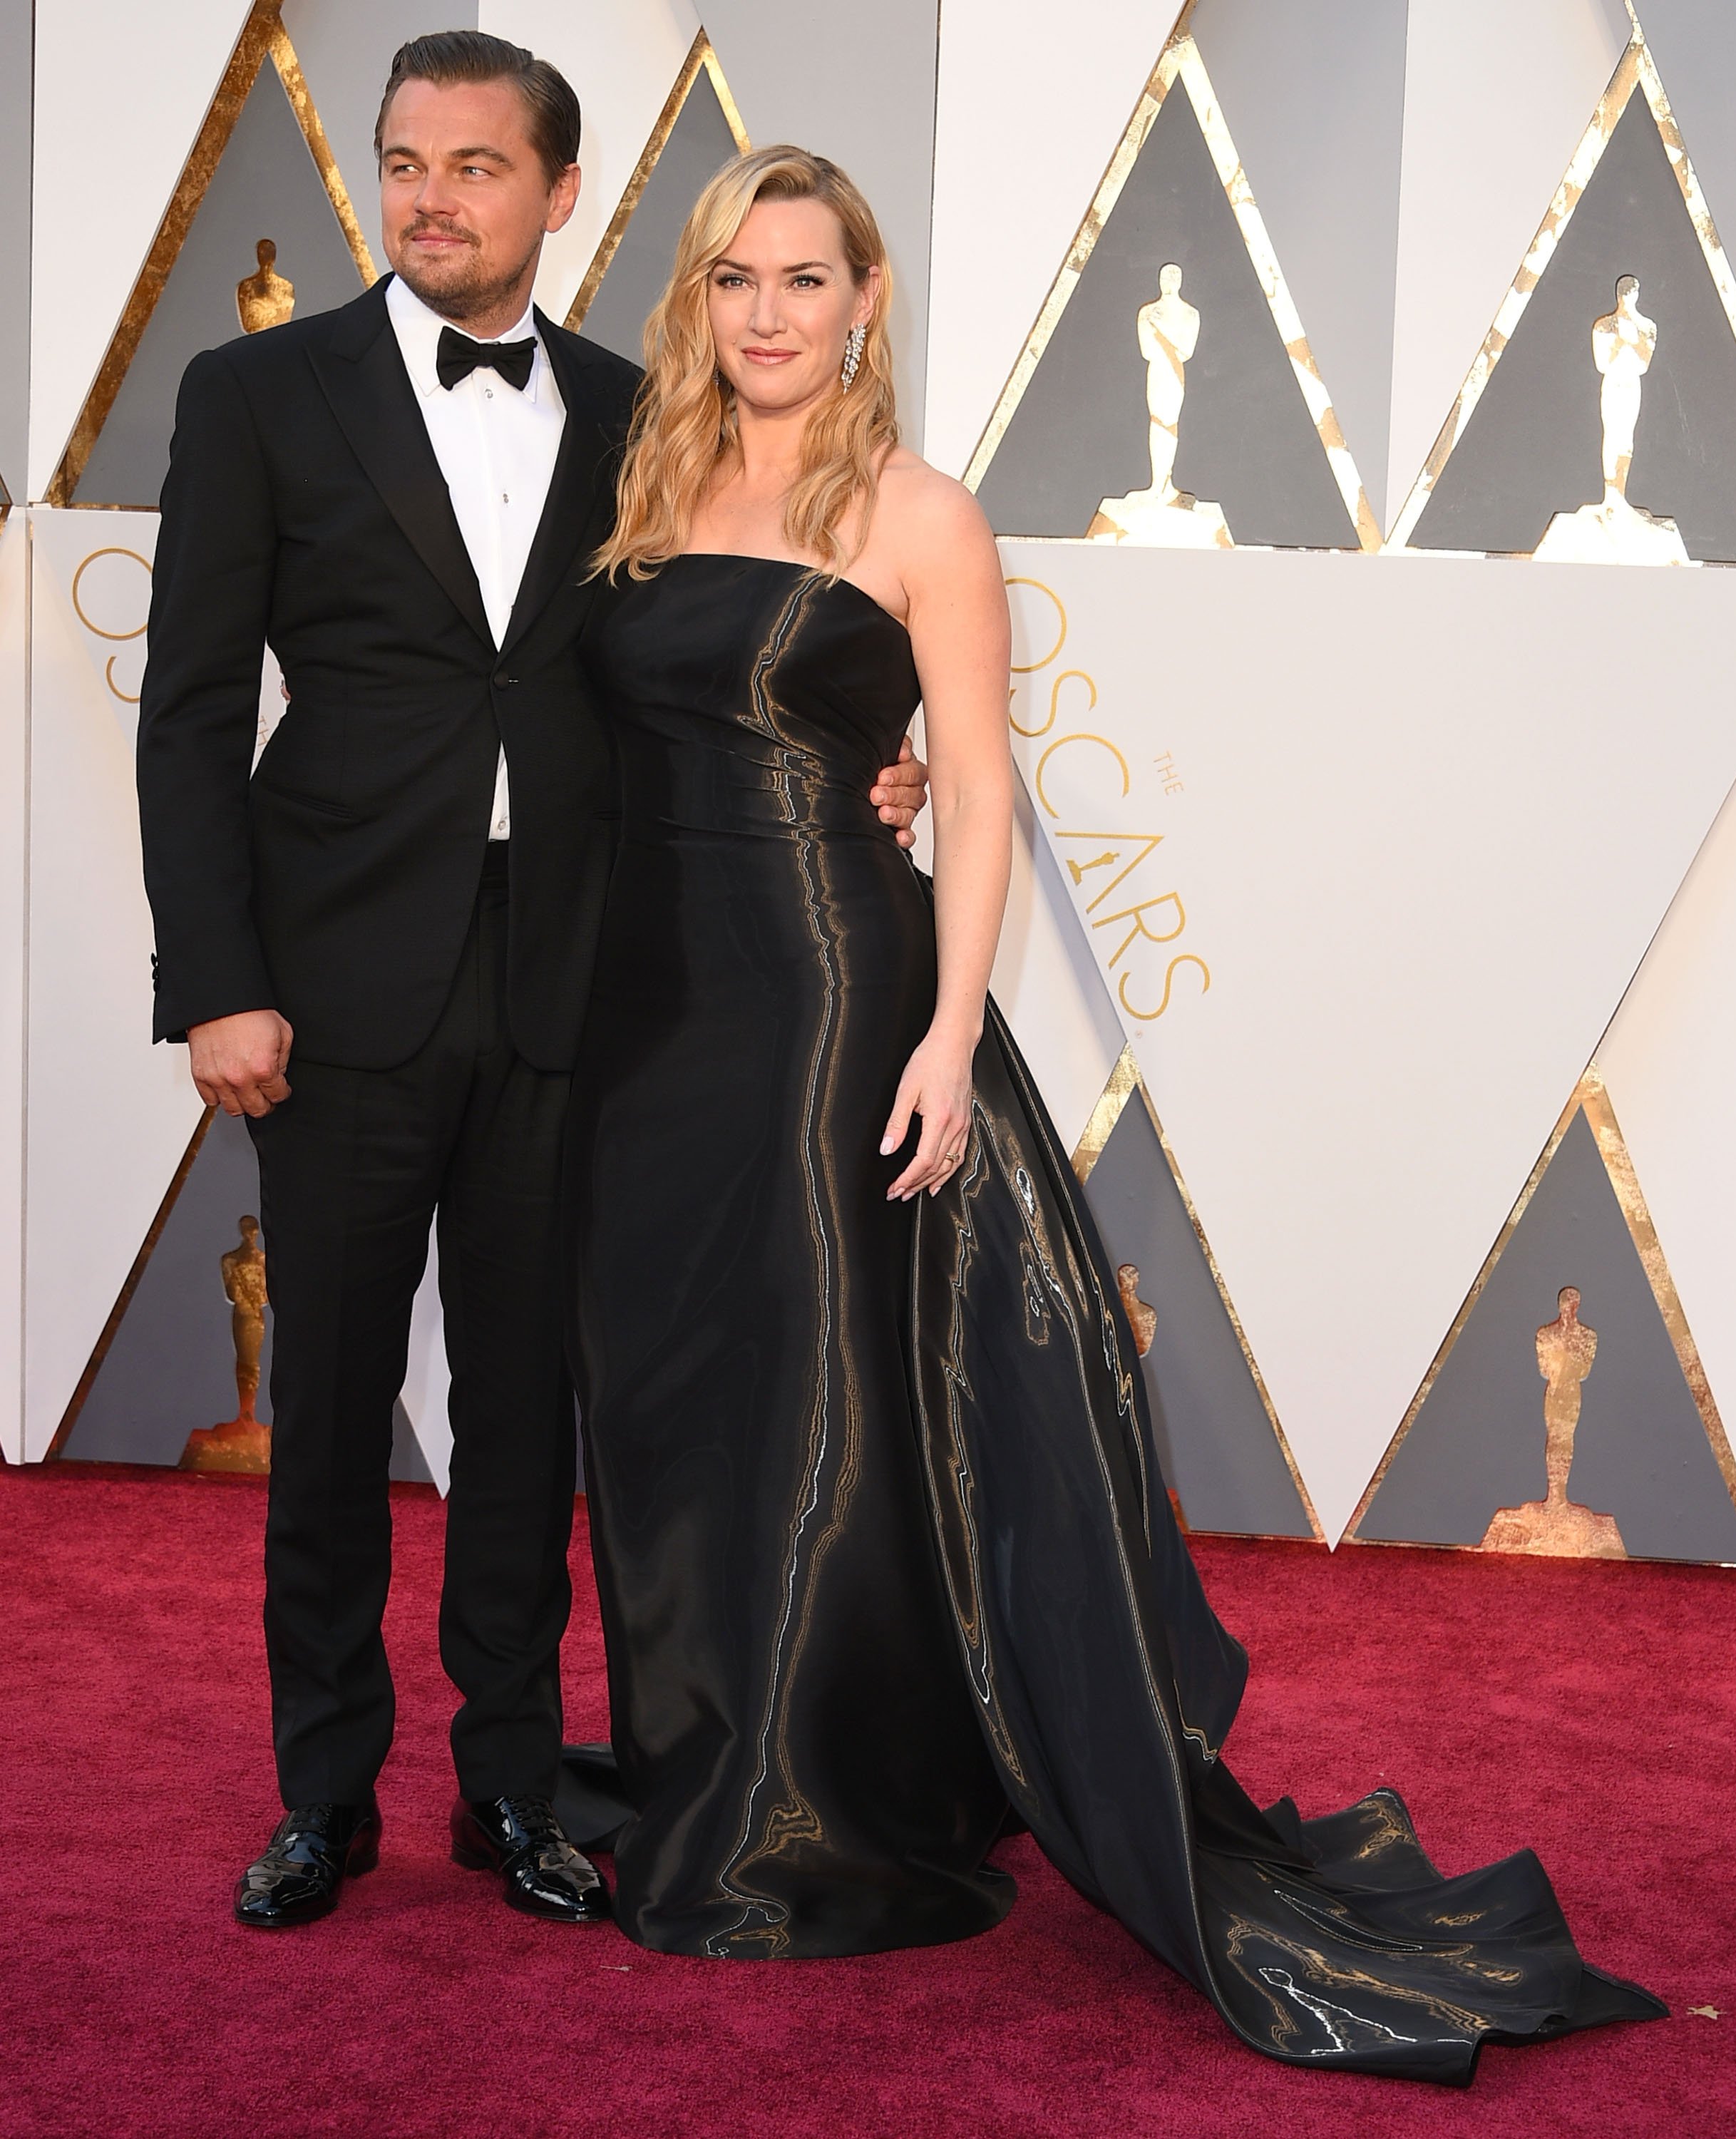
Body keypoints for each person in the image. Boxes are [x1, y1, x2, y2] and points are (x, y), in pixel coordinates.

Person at [566, 145, 1665, 2082]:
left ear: (867, 300)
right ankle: (708, 1751)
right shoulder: (649, 483)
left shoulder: (914, 509)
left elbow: (972, 789)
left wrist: (941, 1030)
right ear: (697, 294)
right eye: (734, 277)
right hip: (652, 1013)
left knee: (818, 1409)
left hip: (832, 996)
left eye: (805, 280)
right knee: (680, 1406)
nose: (766, 315)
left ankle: (798, 1812)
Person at [134, 34, 926, 1933]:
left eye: (477, 168)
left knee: (524, 1419)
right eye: (404, 164)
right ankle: (325, 1799)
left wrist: (871, 766)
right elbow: (185, 711)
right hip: (329, 990)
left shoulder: (639, 413)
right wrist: (217, 982)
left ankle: (506, 1794)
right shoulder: (256, 394)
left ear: (559, 194)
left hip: (582, 985)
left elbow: (719, 662)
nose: (431, 199)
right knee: (324, 1414)